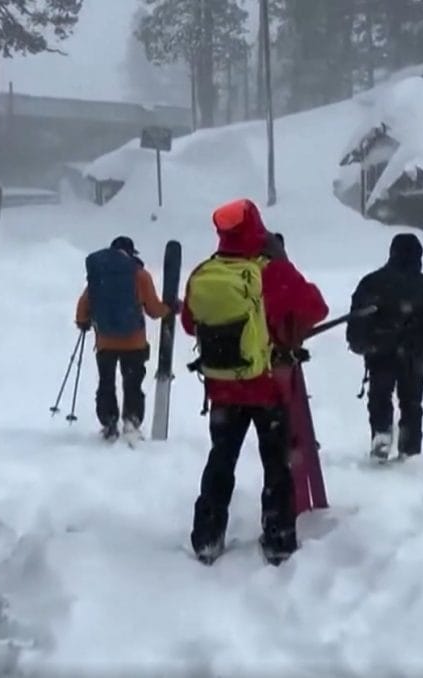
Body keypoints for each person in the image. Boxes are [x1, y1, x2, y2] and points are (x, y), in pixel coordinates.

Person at [181, 199, 328, 566]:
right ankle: (278, 540)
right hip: (268, 386)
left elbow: (189, 322)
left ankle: (207, 537)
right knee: (277, 463)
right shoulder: (273, 272)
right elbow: (316, 309)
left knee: (221, 459)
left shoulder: (206, 271)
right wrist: (283, 264)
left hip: (223, 389)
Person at [345, 233, 423, 461]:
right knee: (411, 401)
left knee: (380, 396)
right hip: (415, 353)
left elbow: (357, 315)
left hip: (380, 350)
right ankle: (410, 446)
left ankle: (382, 434)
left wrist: (358, 341)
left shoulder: (372, 282)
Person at [75, 235, 173, 442]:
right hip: (133, 342)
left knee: (106, 382)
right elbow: (154, 310)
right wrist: (170, 309)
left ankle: (109, 421)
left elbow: (84, 303)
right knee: (132, 383)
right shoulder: (139, 274)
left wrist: (83, 321)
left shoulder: (99, 274)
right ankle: (132, 420)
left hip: (105, 342)